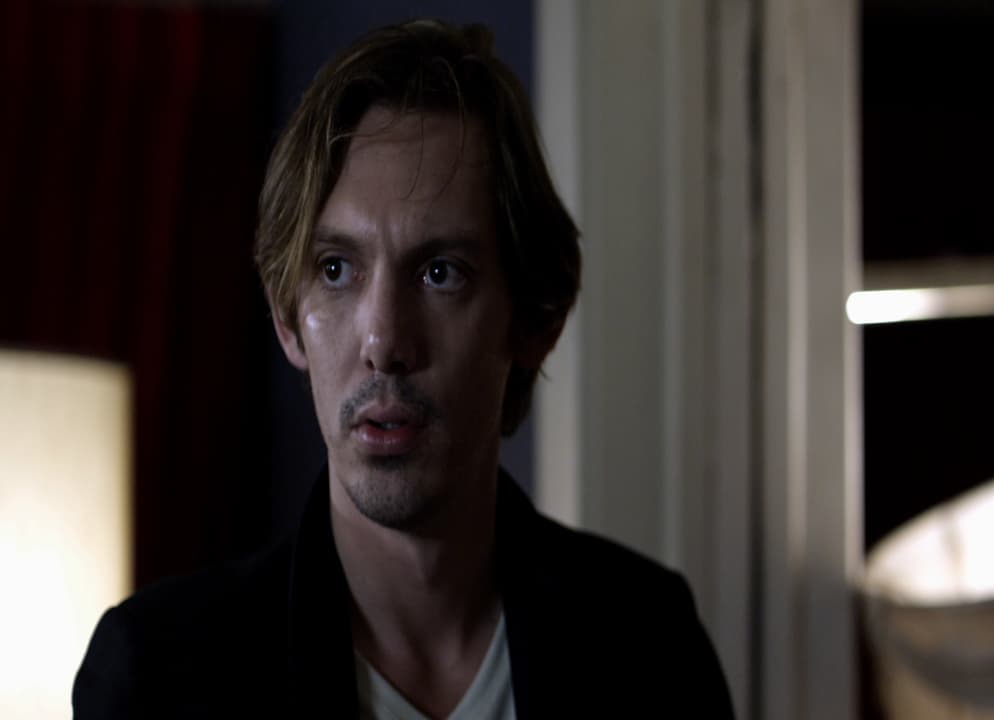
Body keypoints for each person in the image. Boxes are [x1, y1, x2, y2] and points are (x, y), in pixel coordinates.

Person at [73, 19, 734, 719]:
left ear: (535, 319)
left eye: (440, 272)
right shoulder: (161, 675)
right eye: (336, 270)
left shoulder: (650, 645)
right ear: (287, 319)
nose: (384, 340)